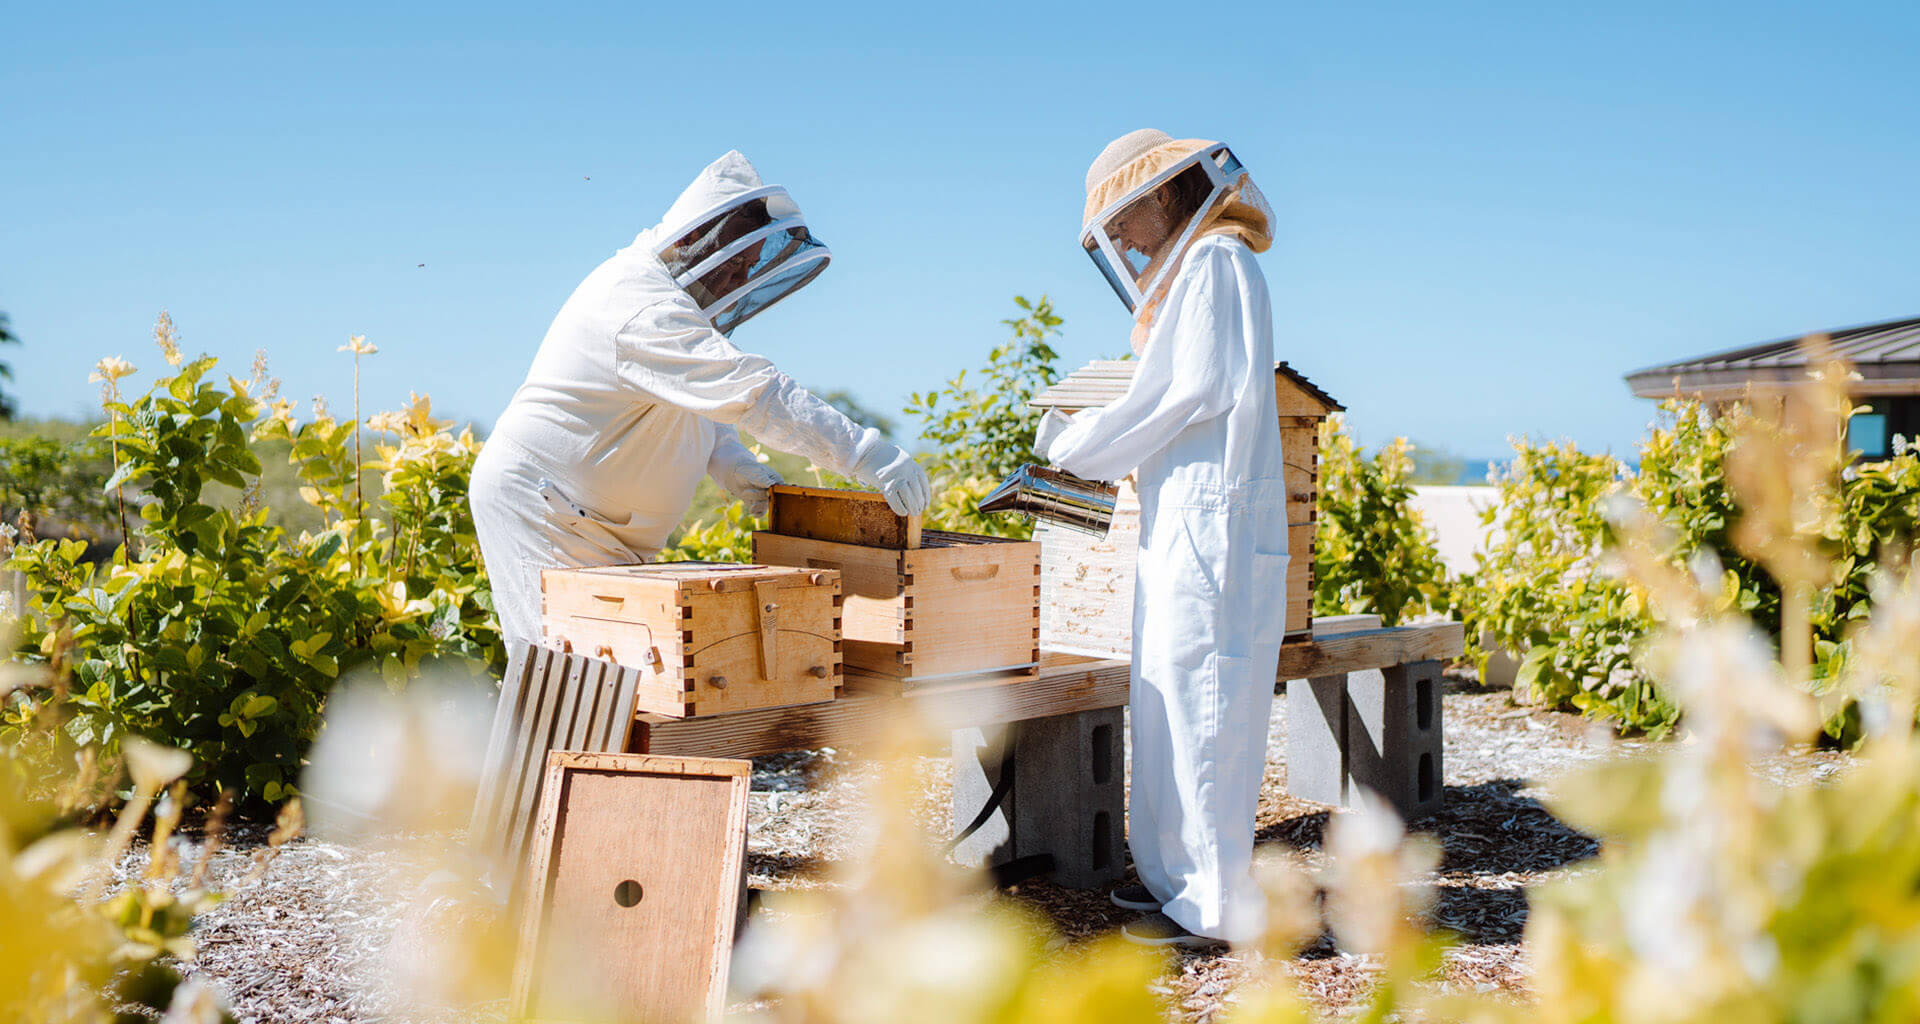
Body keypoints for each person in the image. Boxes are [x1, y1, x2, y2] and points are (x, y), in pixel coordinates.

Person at [471, 151, 931, 653]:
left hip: (597, 524)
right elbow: (754, 392)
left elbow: (694, 408)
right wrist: (864, 452)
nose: (736, 281)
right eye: (734, 264)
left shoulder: (667, 307)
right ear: (692, 240)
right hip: (545, 514)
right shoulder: (639, 305)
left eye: (747, 268)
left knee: (623, 687)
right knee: (565, 685)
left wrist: (734, 464)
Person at [1038, 130, 1286, 948]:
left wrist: (1079, 444)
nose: (1125, 243)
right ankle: (1176, 883)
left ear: (1156, 195)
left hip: (1212, 528)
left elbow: (1186, 391)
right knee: (1169, 698)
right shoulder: (1203, 270)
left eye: (1123, 224)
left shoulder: (1216, 262)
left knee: (1205, 706)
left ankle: (1213, 908)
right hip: (1193, 522)